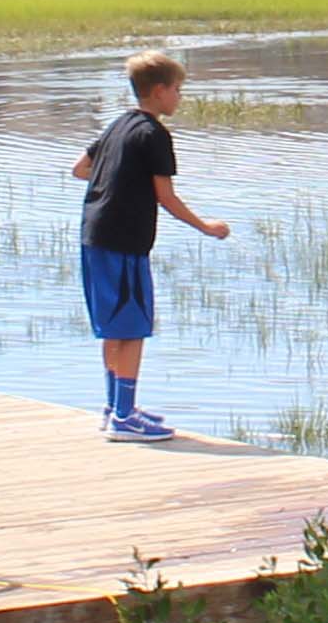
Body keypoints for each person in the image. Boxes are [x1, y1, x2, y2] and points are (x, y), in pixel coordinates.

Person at [69, 51, 230, 441]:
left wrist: (119, 179)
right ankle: (124, 418)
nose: (180, 97)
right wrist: (206, 227)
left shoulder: (118, 125)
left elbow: (80, 169)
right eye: (177, 90)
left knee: (114, 327)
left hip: (94, 236)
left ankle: (115, 408)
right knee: (132, 327)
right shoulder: (154, 134)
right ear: (158, 92)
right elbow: (166, 197)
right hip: (124, 240)